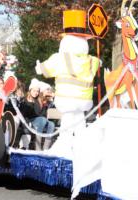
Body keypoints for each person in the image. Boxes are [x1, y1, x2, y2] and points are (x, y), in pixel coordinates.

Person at [35, 10, 100, 156]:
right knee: (80, 124)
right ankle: (84, 148)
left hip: (67, 99)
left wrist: (39, 67)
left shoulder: (60, 58)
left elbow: (45, 69)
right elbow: (98, 63)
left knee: (67, 124)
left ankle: (64, 148)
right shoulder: (91, 61)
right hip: (84, 100)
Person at [21, 78, 55, 150]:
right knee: (42, 120)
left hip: (39, 121)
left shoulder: (38, 100)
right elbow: (25, 114)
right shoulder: (25, 99)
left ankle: (46, 148)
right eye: (34, 91)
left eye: (37, 91)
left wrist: (44, 106)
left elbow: (42, 114)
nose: (35, 93)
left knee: (52, 124)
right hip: (30, 121)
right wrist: (30, 103)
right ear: (30, 90)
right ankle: (38, 147)